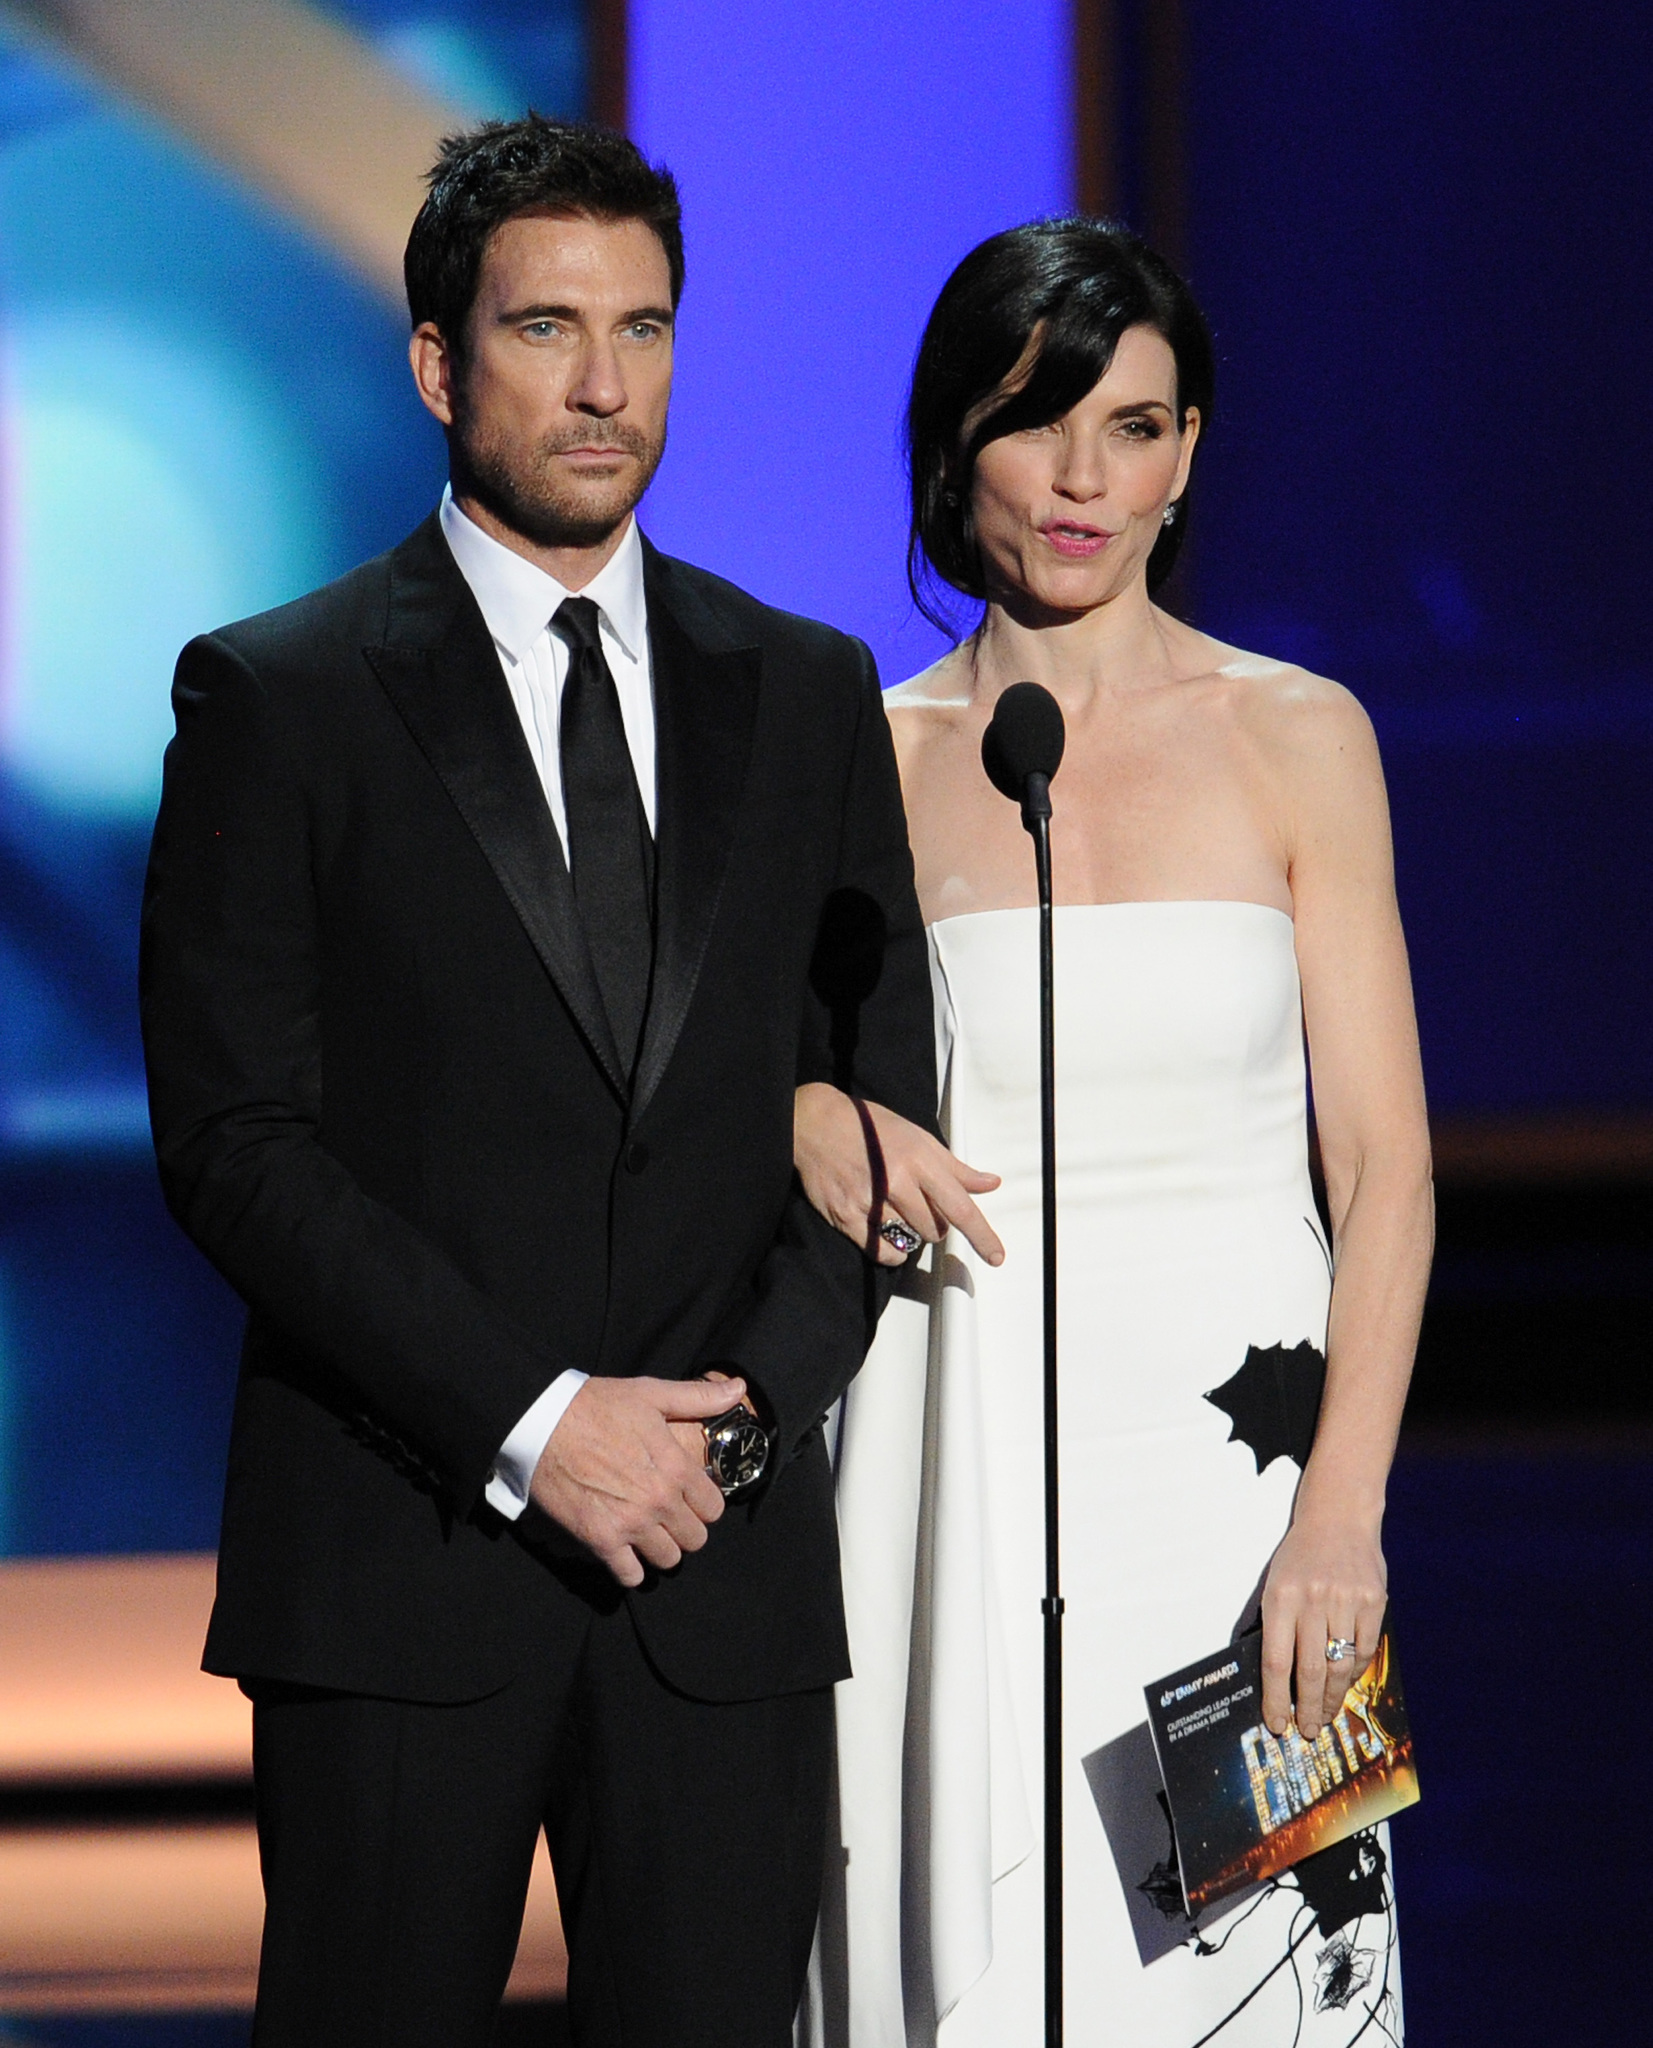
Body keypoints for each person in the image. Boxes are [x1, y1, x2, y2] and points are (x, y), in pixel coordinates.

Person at [139, 115, 935, 2048]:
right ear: (436, 362)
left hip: (716, 1587)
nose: (605, 385)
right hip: (406, 1567)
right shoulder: (281, 696)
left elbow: (882, 1114)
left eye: (645, 329)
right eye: (549, 329)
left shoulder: (806, 687)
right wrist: (537, 1423)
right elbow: (237, 1144)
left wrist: (726, 1436)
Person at [790, 220, 1432, 2045]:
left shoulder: (1298, 735)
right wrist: (800, 1113)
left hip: (1243, 1489)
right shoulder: (862, 754)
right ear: (950, 447)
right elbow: (736, 1076)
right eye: (1034, 422)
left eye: (1135, 428)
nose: (1084, 480)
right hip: (948, 1458)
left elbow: (1381, 1168)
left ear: (1189, 454)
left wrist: (1343, 1519)